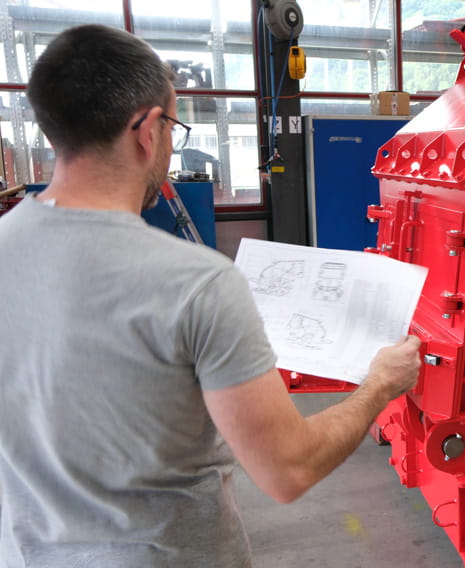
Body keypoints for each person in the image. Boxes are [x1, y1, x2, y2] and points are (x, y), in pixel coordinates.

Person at [0, 24, 421, 567]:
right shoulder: (196, 283)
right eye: (173, 126)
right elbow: (288, 470)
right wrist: (380, 384)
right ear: (146, 131)